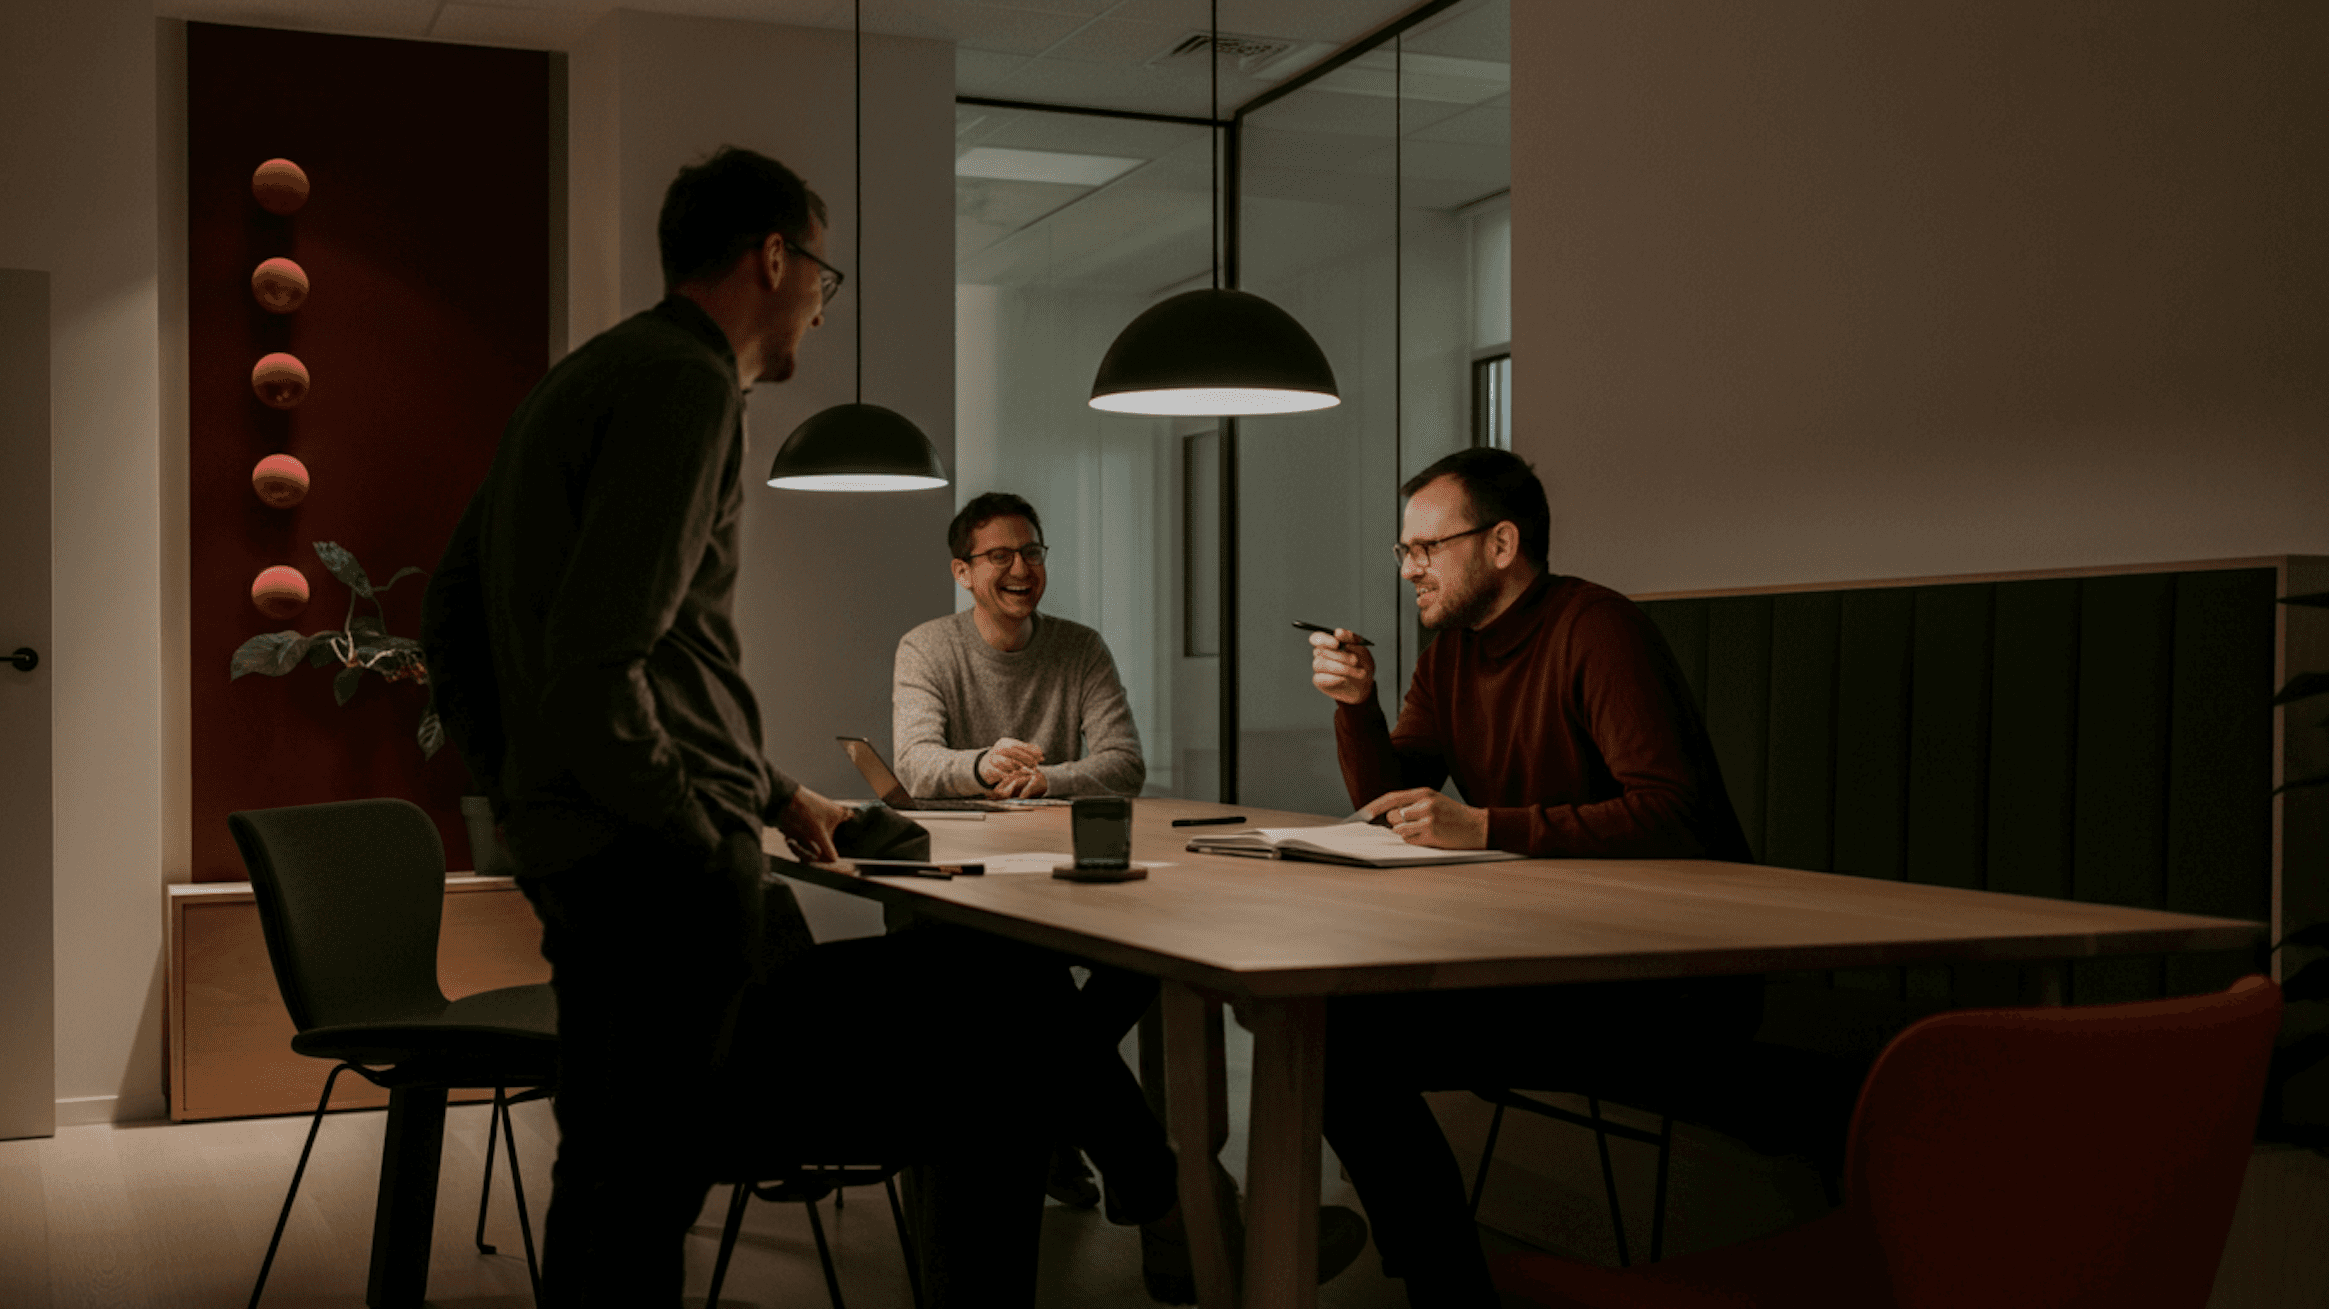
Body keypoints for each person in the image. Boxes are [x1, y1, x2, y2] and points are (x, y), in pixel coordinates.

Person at [421, 147, 1160, 1307]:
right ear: (777, 257)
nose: (821, 302)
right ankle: (1159, 1210)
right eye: (823, 275)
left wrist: (763, 797)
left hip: (585, 859)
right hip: (657, 874)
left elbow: (455, 616)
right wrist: (691, 837)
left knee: (615, 1178)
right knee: (1004, 1012)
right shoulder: (688, 382)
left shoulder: (581, 380)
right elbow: (600, 661)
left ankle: (1146, 1192)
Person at [1304, 446, 1761, 1308]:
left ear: (1503, 543)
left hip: (1666, 975)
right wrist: (1355, 706)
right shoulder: (1449, 658)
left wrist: (1486, 826)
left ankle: (1449, 1291)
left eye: (1425, 548)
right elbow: (1388, 801)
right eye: (1405, 552)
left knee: (1345, 1043)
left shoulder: (1597, 628)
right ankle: (1447, 1281)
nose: (1409, 570)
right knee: (1325, 1030)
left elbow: (1671, 815)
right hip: (1552, 955)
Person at [891, 491, 1145, 800]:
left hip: (1053, 837)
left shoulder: (1083, 648)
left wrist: (1047, 780)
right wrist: (984, 765)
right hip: (959, 839)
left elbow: (1126, 764)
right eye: (1000, 556)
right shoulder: (924, 648)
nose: (1021, 570)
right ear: (963, 572)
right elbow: (912, 765)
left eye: (1032, 553)